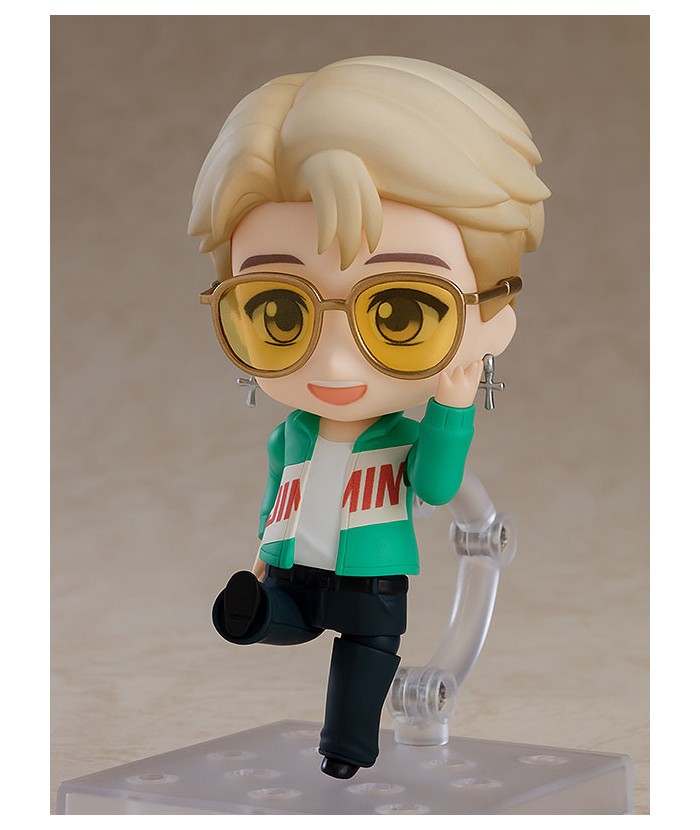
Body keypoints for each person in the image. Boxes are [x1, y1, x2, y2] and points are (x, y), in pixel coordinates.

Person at [189, 55, 549, 779]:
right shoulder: (290, 434)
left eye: (400, 313)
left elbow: (438, 487)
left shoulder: (398, 436)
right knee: (272, 619)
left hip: (372, 582)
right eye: (278, 312)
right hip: (293, 571)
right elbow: (274, 500)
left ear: (491, 322)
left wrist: (451, 405)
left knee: (363, 661)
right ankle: (255, 619)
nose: (334, 362)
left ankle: (346, 751)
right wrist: (260, 559)